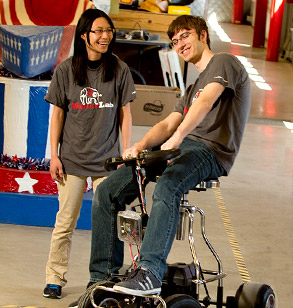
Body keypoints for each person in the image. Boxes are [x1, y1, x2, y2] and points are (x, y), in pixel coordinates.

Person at [76, 14, 251, 302]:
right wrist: (140, 146)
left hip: (211, 151)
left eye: (185, 36)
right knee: (107, 190)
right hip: (182, 147)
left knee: (168, 184)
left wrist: (178, 138)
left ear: (203, 34)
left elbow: (206, 104)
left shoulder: (224, 62)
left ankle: (149, 272)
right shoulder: (192, 87)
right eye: (174, 41)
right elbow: (168, 123)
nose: (179, 43)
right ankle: (101, 279)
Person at [43, 8, 136, 299]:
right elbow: (57, 115)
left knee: (110, 223)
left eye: (108, 30)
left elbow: (126, 115)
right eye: (98, 31)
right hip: (71, 160)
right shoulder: (66, 70)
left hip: (107, 161)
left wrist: (126, 154)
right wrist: (54, 155)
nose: (105, 36)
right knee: (65, 223)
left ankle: (106, 278)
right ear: (84, 35)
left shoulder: (119, 69)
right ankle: (54, 278)